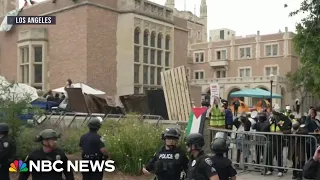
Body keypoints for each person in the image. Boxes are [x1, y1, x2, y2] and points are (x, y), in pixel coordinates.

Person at [266, 110, 292, 177]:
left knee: (279, 156)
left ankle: (280, 170)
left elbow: (284, 127)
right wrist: (270, 123)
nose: (273, 116)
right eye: (273, 114)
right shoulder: (271, 121)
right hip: (271, 140)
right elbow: (267, 128)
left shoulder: (281, 121)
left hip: (279, 140)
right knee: (270, 155)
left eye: (274, 114)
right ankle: (270, 169)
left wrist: (279, 122)